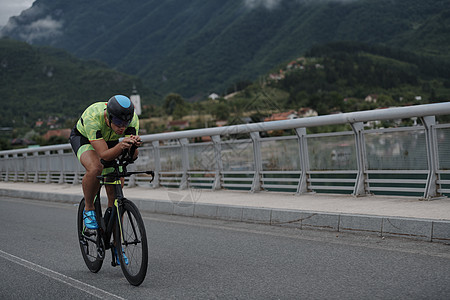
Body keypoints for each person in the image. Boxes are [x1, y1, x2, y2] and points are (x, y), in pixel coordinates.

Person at [69, 95, 141, 263]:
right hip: (85, 139)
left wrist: (134, 146)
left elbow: (133, 157)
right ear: (108, 116)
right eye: (117, 122)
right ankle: (88, 208)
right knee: (96, 167)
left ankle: (117, 245)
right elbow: (104, 155)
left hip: (111, 142)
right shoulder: (93, 116)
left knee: (116, 200)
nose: (122, 127)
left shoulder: (132, 121)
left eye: (126, 123)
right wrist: (121, 145)